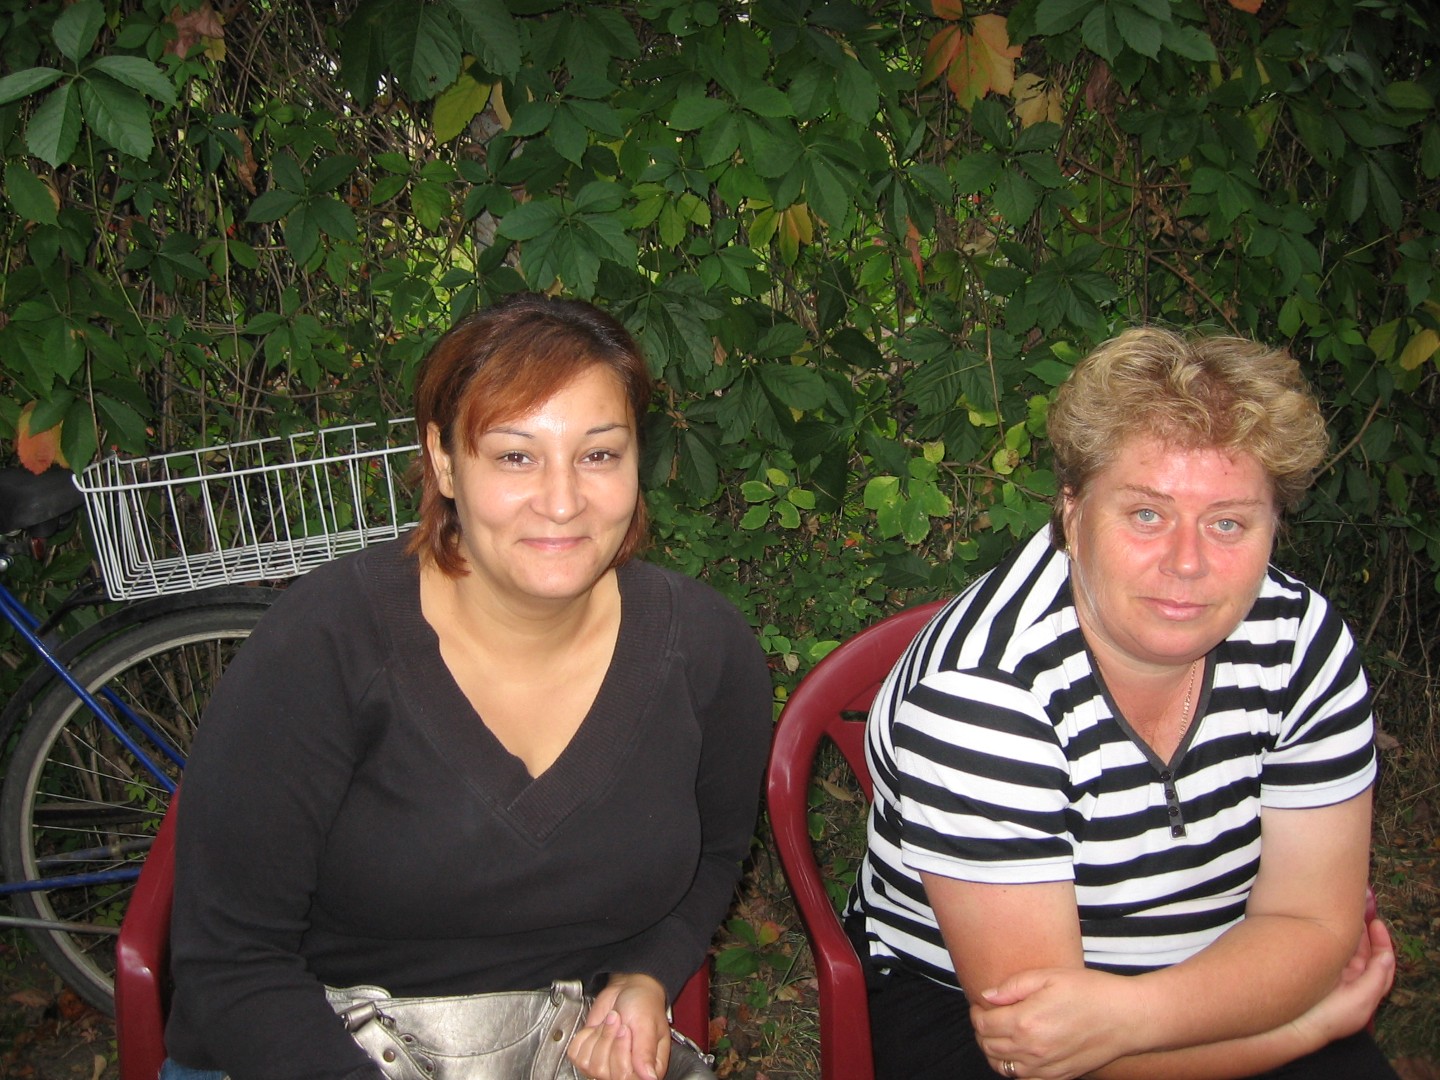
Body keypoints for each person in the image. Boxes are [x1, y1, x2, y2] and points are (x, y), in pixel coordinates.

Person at [161, 294, 773, 1080]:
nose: (563, 501)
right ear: (445, 461)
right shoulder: (325, 645)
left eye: (598, 455)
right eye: (515, 457)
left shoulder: (704, 649)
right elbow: (229, 959)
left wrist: (649, 971)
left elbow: (716, 853)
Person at [848, 327, 1398, 1080]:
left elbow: (1310, 922)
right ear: (1072, 513)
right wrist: (1306, 1030)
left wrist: (1136, 1013)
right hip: (970, 1014)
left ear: (1275, 525)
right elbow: (1043, 1043)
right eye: (1146, 514)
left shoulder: (1299, 640)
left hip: (1221, 974)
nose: (1187, 562)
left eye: (1228, 522)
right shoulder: (980, 695)